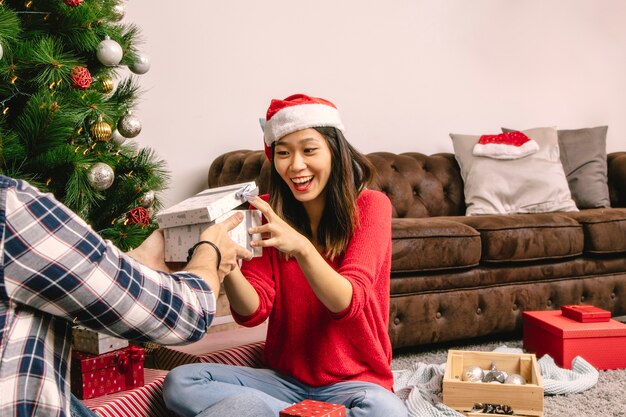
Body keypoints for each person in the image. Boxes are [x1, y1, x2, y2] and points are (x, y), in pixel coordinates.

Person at [162, 94, 408, 417]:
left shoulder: (371, 206)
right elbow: (253, 310)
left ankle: (261, 411)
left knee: (387, 412)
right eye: (283, 153)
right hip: (283, 381)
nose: (296, 165)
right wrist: (230, 265)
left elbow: (348, 302)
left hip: (356, 384)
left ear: (334, 151)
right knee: (181, 382)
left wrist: (302, 248)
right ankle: (300, 412)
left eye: (309, 150)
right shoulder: (265, 209)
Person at [0, 174, 276, 417]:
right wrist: (210, 254)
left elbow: (72, 279)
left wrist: (138, 262)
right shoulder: (11, 209)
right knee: (249, 407)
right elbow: (188, 316)